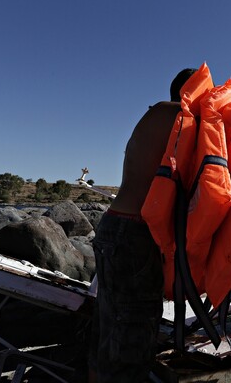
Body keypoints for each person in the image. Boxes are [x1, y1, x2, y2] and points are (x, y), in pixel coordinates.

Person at [88, 68, 197, 382]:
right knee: (131, 341)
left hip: (113, 225)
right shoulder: (181, 116)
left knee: (106, 328)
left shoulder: (156, 114)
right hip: (135, 235)